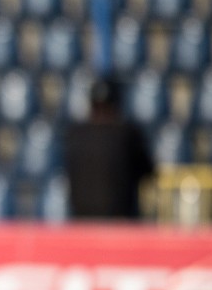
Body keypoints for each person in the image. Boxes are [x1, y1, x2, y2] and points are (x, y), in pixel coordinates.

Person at [64, 76, 156, 220]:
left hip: (81, 225)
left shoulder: (75, 133)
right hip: (118, 226)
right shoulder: (127, 133)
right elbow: (148, 172)